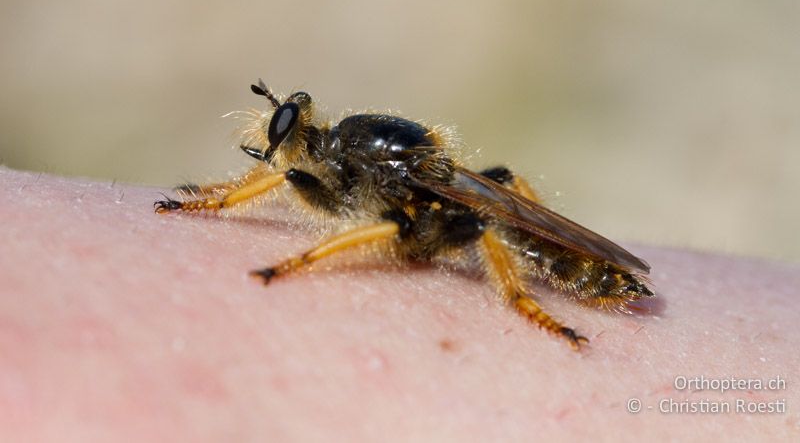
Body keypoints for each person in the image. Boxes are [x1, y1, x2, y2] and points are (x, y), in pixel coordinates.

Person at [1, 167, 797, 441]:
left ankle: (521, 298)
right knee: (491, 200)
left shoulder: (334, 176)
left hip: (506, 241)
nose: (280, 159)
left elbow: (327, 199)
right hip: (480, 213)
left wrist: (295, 258)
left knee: (479, 212)